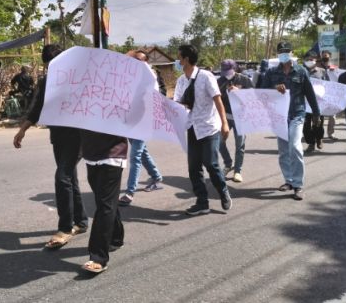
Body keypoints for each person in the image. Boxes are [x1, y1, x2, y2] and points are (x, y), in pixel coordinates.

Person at [13, 44, 88, 250]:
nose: (52, 69)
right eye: (49, 66)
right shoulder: (46, 81)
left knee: (62, 176)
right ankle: (80, 221)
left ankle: (65, 228)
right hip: (58, 136)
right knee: (70, 177)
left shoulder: (78, 79)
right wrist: (23, 130)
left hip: (78, 136)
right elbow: (37, 107)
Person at [173, 44, 232, 216]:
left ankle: (223, 191)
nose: (177, 61)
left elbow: (217, 100)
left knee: (211, 164)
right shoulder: (181, 80)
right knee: (193, 167)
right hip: (192, 127)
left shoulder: (206, 76)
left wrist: (224, 123)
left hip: (209, 126)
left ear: (186, 59)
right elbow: (177, 103)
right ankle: (202, 202)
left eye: (179, 57)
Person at [261, 41, 320, 201]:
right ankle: (289, 180)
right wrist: (274, 89)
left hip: (297, 114)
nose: (284, 53)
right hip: (279, 116)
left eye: (287, 51)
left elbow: (310, 93)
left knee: (295, 147)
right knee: (283, 151)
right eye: (281, 51)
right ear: (277, 53)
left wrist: (316, 113)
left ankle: (298, 185)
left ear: (291, 52)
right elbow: (262, 93)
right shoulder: (271, 72)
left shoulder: (301, 71)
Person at [119, 50, 164, 206]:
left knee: (135, 156)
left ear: (146, 63)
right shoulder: (131, 76)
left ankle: (130, 192)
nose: (137, 63)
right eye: (135, 59)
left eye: (141, 60)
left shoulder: (151, 77)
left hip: (144, 121)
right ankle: (156, 177)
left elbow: (152, 100)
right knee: (142, 152)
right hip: (131, 120)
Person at [79, 129, 128, 274]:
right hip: (91, 154)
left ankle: (98, 257)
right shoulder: (83, 105)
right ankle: (116, 238)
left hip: (112, 155)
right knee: (106, 202)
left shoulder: (122, 105)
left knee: (105, 206)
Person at [217, 59, 253, 182]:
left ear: (235, 68)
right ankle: (228, 164)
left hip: (241, 118)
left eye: (228, 70)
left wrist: (240, 93)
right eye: (224, 71)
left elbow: (253, 98)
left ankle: (237, 171)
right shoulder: (219, 81)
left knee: (240, 145)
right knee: (219, 142)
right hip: (225, 117)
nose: (226, 73)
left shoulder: (244, 80)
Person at [302, 51, 327, 153]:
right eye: (308, 59)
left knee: (318, 124)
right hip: (304, 103)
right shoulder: (301, 71)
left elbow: (328, 85)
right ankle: (310, 143)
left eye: (312, 59)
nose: (310, 61)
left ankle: (319, 139)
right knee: (306, 126)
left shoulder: (322, 71)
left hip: (318, 103)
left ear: (316, 60)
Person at [319, 50, 338, 140]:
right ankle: (319, 133)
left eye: (326, 56)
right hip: (320, 94)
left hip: (331, 94)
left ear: (330, 57)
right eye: (323, 56)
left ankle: (331, 133)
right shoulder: (317, 67)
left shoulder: (334, 68)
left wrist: (333, 71)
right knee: (320, 115)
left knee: (332, 115)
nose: (325, 57)